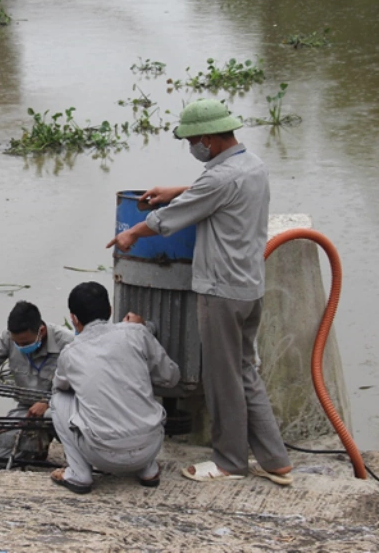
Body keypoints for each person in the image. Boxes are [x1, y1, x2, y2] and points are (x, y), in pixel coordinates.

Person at [105, 98, 293, 486]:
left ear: (208, 137)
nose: (192, 147)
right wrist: (177, 190)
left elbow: (167, 220)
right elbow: (214, 191)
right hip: (249, 287)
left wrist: (131, 233)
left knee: (222, 379)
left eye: (193, 140)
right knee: (243, 371)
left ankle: (230, 463)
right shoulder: (252, 166)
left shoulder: (219, 178)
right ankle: (275, 458)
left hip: (221, 291)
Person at [49, 282, 180, 494]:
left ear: (73, 318)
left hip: (102, 455)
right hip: (151, 445)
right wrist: (142, 331)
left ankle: (78, 473)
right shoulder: (137, 333)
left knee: (58, 400)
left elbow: (60, 387)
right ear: (110, 311)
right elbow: (171, 377)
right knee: (132, 389)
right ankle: (148, 469)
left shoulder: (70, 352)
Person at [0, 300, 74, 467]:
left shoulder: (67, 343)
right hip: (26, 410)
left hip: (61, 408)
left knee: (59, 422)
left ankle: (75, 463)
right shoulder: (9, 337)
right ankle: (36, 447)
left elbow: (81, 388)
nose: (20, 346)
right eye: (17, 343)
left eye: (25, 343)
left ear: (41, 331)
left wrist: (48, 403)